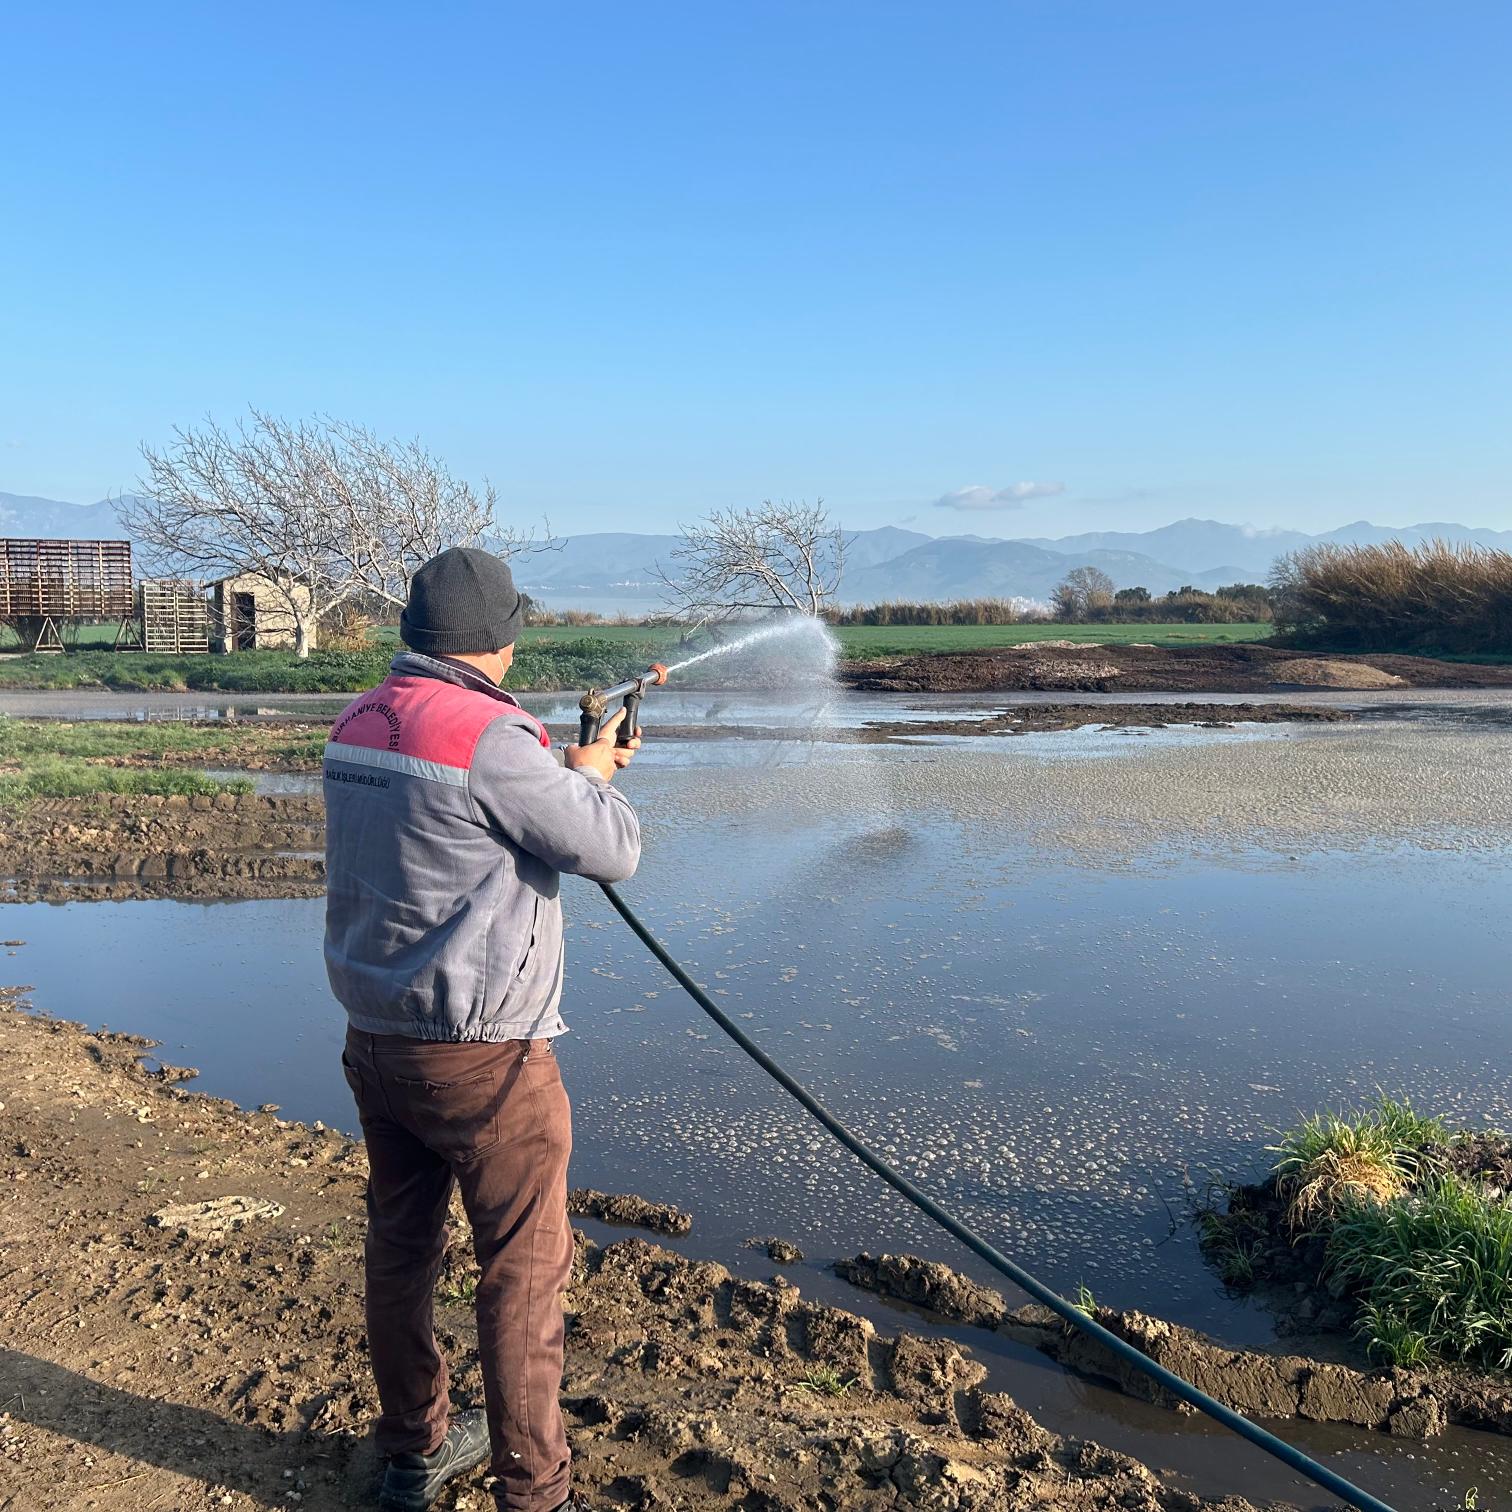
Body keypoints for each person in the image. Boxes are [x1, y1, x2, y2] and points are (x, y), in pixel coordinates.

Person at [323, 546, 641, 1512]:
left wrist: (564, 769)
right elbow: (614, 850)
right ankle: (536, 1493)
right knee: (523, 1277)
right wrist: (591, 778)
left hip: (375, 1041)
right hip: (486, 1061)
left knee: (402, 1253)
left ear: (417, 632)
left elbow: (442, 825)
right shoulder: (495, 738)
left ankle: (411, 1455)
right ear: (500, 639)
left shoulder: (358, 718)